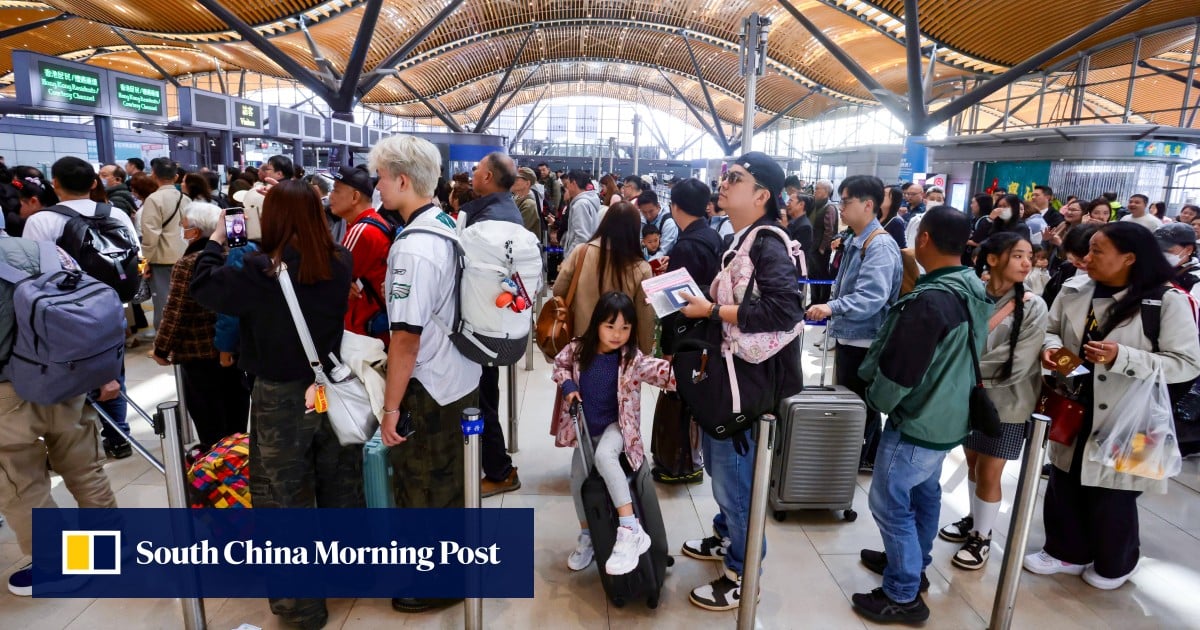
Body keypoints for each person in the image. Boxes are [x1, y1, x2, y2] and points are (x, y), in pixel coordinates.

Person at [190, 179, 360, 629]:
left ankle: (302, 607)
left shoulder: (260, 270)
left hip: (279, 397)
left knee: (286, 498)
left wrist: (217, 239)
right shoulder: (340, 261)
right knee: (338, 482)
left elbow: (203, 287)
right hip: (329, 387)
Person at [1024, 222, 1200, 589]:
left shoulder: (1166, 302)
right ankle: (1066, 550)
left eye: (1097, 251)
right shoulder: (1075, 288)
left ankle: (1116, 562)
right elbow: (1052, 329)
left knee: (1113, 492)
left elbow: (1186, 363)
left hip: (1129, 413)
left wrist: (1124, 357)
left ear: (1129, 258)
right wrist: (1053, 351)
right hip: (1073, 403)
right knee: (1064, 479)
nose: (1086, 259)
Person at [676, 152, 804, 611]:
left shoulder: (768, 242)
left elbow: (785, 311)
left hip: (748, 386)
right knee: (720, 465)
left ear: (762, 195)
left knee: (735, 477)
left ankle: (742, 573)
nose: (724, 185)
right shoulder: (742, 238)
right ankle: (727, 535)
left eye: (736, 178)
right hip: (731, 375)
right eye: (724, 177)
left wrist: (711, 310)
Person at [853, 207, 990, 623]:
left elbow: (900, 373)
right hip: (948, 415)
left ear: (925, 240)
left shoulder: (929, 301)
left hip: (917, 420)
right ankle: (913, 563)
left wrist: (877, 401)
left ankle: (902, 592)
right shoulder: (970, 285)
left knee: (890, 501)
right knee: (924, 493)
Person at [369, 135, 481, 614]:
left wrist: (391, 408)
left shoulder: (413, 248)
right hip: (460, 374)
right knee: (449, 481)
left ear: (401, 179)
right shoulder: (447, 223)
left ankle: (439, 582)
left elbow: (406, 339)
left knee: (424, 483)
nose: (377, 186)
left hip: (429, 387)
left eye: (380, 177)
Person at [0, 233, 119, 596]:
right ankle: (108, 549)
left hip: (8, 391)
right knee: (84, 466)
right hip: (66, 375)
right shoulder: (44, 249)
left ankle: (57, 564)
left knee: (21, 481)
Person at [938, 233, 1048, 570]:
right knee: (972, 462)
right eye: (1018, 255)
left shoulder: (1034, 306)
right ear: (993, 259)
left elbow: (1018, 361)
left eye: (1029, 255)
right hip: (970, 397)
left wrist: (959, 368)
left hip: (1008, 402)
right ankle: (975, 519)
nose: (1026, 262)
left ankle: (982, 537)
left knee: (990, 469)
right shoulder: (970, 292)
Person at [23, 157, 141, 460]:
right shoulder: (115, 213)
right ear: (93, 183)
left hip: (65, 310)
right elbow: (134, 253)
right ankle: (118, 438)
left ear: (55, 184)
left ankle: (72, 447)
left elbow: (33, 270)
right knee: (113, 371)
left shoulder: (42, 220)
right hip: (112, 304)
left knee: (67, 374)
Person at [552, 292, 675, 574]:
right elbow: (559, 366)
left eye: (625, 328)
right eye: (610, 326)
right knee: (577, 482)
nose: (617, 334)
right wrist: (569, 386)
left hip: (617, 426)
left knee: (606, 457)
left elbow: (665, 374)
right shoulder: (578, 349)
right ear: (596, 324)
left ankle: (630, 528)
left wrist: (699, 372)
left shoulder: (632, 360)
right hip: (586, 428)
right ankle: (588, 537)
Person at [805, 175, 903, 472]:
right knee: (853, 401)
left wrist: (830, 307)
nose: (841, 208)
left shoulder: (879, 246)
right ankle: (861, 455)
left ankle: (863, 457)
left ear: (868, 205)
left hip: (866, 340)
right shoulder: (856, 240)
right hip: (853, 337)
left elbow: (871, 298)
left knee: (861, 405)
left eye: (846, 201)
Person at [151, 201, 250, 450]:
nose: (182, 233)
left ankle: (215, 470)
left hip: (198, 354)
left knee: (210, 420)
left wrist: (161, 349)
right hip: (237, 350)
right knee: (236, 413)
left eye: (184, 228)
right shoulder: (239, 256)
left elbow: (176, 311)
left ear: (195, 232)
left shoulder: (189, 263)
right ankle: (238, 462)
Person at [461, 152, 526, 499]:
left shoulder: (487, 222)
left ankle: (499, 470)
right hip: (497, 323)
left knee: (481, 399)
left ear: (487, 176)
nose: (472, 174)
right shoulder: (505, 212)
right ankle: (497, 464)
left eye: (476, 169)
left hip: (481, 326)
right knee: (487, 394)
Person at [653, 178, 722, 484]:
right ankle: (690, 459)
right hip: (706, 331)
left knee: (679, 398)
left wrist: (667, 347)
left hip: (686, 336)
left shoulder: (687, 245)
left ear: (675, 206)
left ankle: (680, 464)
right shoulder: (712, 235)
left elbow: (674, 305)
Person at [554, 201, 656, 354]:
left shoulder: (581, 252)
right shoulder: (641, 268)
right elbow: (645, 317)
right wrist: (646, 351)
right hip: (619, 348)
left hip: (581, 342)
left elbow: (558, 290)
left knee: (580, 377)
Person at [330, 165, 392, 347]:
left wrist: (340, 283)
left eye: (336, 190)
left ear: (355, 197)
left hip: (363, 336)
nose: (331, 196)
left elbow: (331, 281)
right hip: (373, 330)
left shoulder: (362, 231)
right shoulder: (375, 223)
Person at [140, 158, 190, 338]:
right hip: (185, 256)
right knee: (184, 300)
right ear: (176, 177)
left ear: (153, 175)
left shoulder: (153, 199)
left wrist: (142, 263)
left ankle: (165, 341)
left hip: (162, 259)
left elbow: (150, 236)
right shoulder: (185, 198)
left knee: (164, 302)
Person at [1042, 223, 1100, 307]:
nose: (1077, 264)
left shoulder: (1108, 278)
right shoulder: (1066, 269)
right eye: (1072, 259)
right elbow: (1049, 298)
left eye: (1083, 261)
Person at [1155, 222, 1200, 305]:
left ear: (1188, 249)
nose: (1161, 254)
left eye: (1167, 251)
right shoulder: (1153, 268)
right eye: (1157, 250)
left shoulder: (1195, 279)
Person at [810, 179, 839, 305]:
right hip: (812, 248)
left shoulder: (829, 207)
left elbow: (829, 231)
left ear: (826, 191)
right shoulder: (815, 205)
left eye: (818, 189)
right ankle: (814, 300)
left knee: (822, 275)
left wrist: (822, 248)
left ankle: (823, 301)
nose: (815, 191)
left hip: (821, 250)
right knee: (812, 275)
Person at [561, 169, 602, 256]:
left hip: (577, 258)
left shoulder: (580, 204)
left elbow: (582, 237)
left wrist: (569, 259)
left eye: (567, 184)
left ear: (574, 183)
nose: (566, 187)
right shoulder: (588, 201)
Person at [637, 189, 678, 255]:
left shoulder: (668, 223)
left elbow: (663, 252)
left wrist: (647, 264)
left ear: (658, 206)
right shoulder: (641, 218)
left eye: (651, 211)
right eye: (644, 212)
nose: (648, 216)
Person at [513, 166, 542, 237]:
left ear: (527, 183)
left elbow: (518, 229)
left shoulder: (529, 204)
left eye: (517, 179)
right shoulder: (516, 198)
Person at [784, 189, 815, 258]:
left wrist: (784, 228)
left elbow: (795, 252)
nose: (787, 203)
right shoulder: (793, 221)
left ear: (801, 204)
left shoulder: (805, 227)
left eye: (790, 201)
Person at [901, 182, 927, 249]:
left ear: (922, 194)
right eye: (907, 194)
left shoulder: (924, 211)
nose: (909, 196)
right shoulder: (903, 207)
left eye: (913, 194)